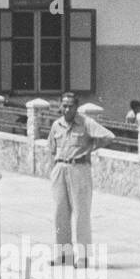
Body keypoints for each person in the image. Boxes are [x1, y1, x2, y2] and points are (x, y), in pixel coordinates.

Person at [47, 92, 114, 266]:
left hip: (79, 168)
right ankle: (64, 254)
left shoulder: (85, 123)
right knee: (59, 214)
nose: (66, 109)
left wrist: (90, 147)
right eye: (64, 105)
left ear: (76, 108)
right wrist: (53, 169)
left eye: (70, 105)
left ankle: (82, 257)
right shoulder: (56, 125)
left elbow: (108, 136)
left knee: (81, 214)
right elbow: (51, 149)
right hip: (60, 168)